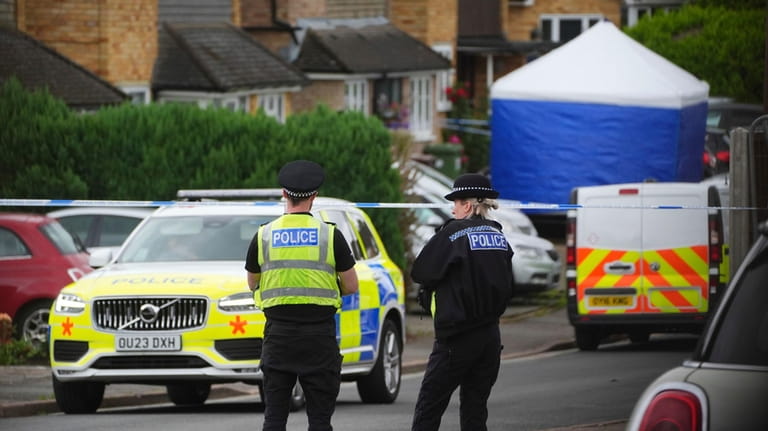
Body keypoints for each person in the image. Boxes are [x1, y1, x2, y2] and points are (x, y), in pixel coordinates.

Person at [245, 160, 359, 431]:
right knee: (320, 420)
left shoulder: (264, 235)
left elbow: (252, 283)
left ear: (284, 194)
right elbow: (352, 285)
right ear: (314, 196)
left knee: (274, 419)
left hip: (279, 335)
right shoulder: (330, 235)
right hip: (319, 337)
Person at [410, 173, 514, 431]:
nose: (452, 208)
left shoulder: (454, 234)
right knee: (475, 410)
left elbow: (421, 272)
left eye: (455, 202)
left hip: (456, 338)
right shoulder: (499, 236)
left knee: (429, 408)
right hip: (490, 337)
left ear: (467, 205)